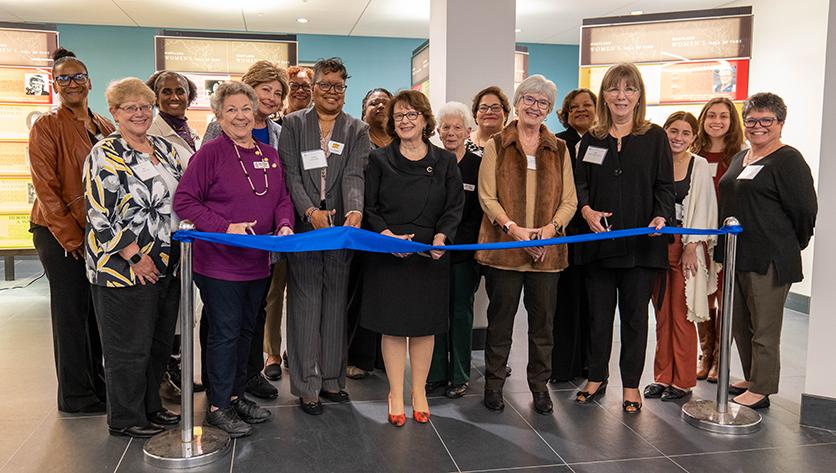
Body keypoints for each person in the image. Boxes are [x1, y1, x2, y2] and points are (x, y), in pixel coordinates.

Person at [173, 81, 294, 437]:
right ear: (218, 115)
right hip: (219, 264)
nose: (240, 117)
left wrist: (285, 225)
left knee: (245, 331)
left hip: (257, 262)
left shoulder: (269, 155)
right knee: (225, 333)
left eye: (245, 109)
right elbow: (185, 201)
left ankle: (237, 395)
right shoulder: (209, 154)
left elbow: (282, 199)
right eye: (231, 110)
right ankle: (218, 405)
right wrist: (226, 227)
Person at [83, 77, 183, 438]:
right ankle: (125, 417)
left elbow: (181, 197)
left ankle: (151, 406)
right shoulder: (104, 153)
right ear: (115, 112)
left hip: (168, 263)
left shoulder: (163, 148)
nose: (140, 113)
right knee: (128, 345)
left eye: (145, 106)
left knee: (157, 342)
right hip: (124, 268)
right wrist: (135, 255)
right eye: (131, 108)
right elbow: (99, 214)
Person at [574, 63, 674, 414]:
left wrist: (662, 215)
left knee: (634, 318)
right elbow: (580, 185)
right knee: (598, 317)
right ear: (604, 95)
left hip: (640, 246)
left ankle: (630, 385)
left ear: (639, 96)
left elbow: (665, 186)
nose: (621, 96)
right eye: (614, 89)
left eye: (629, 89)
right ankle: (596, 377)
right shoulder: (592, 138)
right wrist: (586, 210)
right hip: (599, 245)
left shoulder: (655, 136)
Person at [361, 90, 464, 426]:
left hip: (430, 253)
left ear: (424, 120)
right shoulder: (378, 159)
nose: (404, 121)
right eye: (398, 116)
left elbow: (453, 207)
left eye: (411, 115)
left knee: (423, 327)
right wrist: (387, 237)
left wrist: (441, 238)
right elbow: (369, 207)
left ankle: (418, 391)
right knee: (392, 328)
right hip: (389, 252)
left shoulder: (445, 160)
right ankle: (395, 392)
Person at [477, 75, 577, 415]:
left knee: (543, 327)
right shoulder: (496, 144)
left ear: (549, 110)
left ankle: (539, 388)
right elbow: (486, 195)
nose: (535, 107)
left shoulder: (559, 148)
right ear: (517, 103)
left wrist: (549, 230)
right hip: (505, 250)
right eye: (529, 100)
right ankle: (493, 386)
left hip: (547, 254)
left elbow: (570, 201)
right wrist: (513, 229)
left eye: (543, 103)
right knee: (500, 324)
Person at [278, 57, 369, 415]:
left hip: (341, 230)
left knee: (334, 304)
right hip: (305, 229)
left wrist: (356, 210)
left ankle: (332, 380)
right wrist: (310, 213)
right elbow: (291, 175)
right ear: (313, 88)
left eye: (339, 86)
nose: (333, 92)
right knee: (305, 303)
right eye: (326, 85)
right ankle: (306, 386)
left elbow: (354, 176)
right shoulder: (292, 124)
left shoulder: (356, 129)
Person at [718, 93, 817, 409]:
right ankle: (751, 376)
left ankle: (762, 388)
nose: (758, 126)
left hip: (770, 257)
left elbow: (805, 211)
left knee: (764, 326)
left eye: (766, 121)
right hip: (737, 254)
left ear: (780, 123)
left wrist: (789, 243)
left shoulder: (788, 160)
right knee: (738, 322)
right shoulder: (740, 157)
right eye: (751, 120)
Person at [28, 48, 111, 414]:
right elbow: (46, 188)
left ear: (89, 82)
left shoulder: (104, 125)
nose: (72, 83)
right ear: (55, 84)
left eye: (78, 76)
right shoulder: (47, 126)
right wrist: (71, 238)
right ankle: (76, 395)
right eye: (64, 78)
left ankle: (98, 384)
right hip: (59, 233)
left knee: (94, 312)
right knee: (71, 313)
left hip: (97, 232)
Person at [203, 61, 288, 399]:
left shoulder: (279, 134)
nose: (271, 97)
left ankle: (248, 375)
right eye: (265, 89)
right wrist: (224, 225)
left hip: (263, 246)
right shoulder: (217, 132)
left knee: (255, 312)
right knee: (221, 320)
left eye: (277, 92)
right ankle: (219, 388)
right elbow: (203, 187)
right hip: (224, 248)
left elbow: (279, 187)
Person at [644, 112, 718, 402]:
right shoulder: (654, 161)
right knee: (661, 315)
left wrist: (691, 246)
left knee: (683, 315)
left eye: (685, 133)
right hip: (655, 247)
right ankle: (662, 377)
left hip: (687, 248)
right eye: (673, 130)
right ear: (664, 131)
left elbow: (706, 207)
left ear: (694, 137)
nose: (678, 137)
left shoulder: (698, 166)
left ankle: (683, 381)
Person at [146, 70, 204, 400]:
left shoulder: (190, 132)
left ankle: (177, 368)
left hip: (187, 230)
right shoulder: (152, 132)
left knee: (182, 306)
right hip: (162, 230)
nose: (173, 96)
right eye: (165, 91)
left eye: (179, 91)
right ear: (155, 96)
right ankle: (164, 374)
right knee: (165, 307)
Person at [425, 101, 482, 399]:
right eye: (445, 127)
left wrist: (456, 242)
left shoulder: (478, 165)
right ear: (436, 131)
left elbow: (480, 212)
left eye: (457, 127)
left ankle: (459, 374)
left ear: (468, 131)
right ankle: (434, 373)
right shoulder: (430, 163)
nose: (451, 132)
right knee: (435, 313)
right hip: (433, 253)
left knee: (460, 313)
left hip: (463, 254)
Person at [691, 97, 745, 383]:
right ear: (703, 119)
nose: (716, 121)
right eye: (711, 115)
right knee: (703, 298)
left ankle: (720, 360)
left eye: (723, 116)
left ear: (731, 121)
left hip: (725, 240)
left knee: (724, 302)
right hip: (700, 238)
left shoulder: (740, 156)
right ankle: (706, 353)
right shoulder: (693, 153)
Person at [345, 87, 394, 380]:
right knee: (358, 294)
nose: (379, 107)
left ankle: (382, 357)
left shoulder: (401, 141)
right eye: (373, 102)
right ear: (363, 108)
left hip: (391, 229)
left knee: (386, 294)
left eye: (385, 103)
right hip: (361, 226)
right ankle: (356, 356)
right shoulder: (356, 138)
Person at [549, 88, 597, 383]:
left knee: (594, 303)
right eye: (574, 107)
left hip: (593, 233)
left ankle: (592, 364)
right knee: (564, 303)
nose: (580, 110)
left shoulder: (605, 141)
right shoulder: (557, 143)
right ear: (565, 114)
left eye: (587, 105)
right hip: (565, 231)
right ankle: (563, 366)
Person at [465, 86, 511, 156]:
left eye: (495, 107)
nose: (489, 112)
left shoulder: (515, 143)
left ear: (505, 114)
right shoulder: (462, 143)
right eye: (483, 108)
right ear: (475, 115)